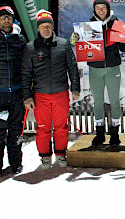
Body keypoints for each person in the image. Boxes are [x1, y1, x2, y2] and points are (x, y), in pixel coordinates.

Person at [22, 10, 80, 169]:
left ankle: (61, 153)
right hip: (41, 95)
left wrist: (75, 88)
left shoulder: (62, 44)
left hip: (60, 93)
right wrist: (27, 96)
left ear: (52, 28)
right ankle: (45, 156)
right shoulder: (30, 48)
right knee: (43, 128)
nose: (46, 29)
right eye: (43, 27)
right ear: (38, 29)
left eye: (48, 26)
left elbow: (72, 67)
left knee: (61, 127)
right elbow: (26, 74)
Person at [86, 0, 125, 146]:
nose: (101, 11)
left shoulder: (116, 24)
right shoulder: (88, 25)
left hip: (113, 67)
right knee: (98, 102)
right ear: (94, 9)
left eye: (104, 8)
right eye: (98, 7)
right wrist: (77, 40)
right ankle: (100, 133)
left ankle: (115, 132)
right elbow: (84, 48)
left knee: (115, 101)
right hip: (95, 68)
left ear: (108, 9)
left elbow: (124, 48)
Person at [0, 5, 26, 177]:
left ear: (13, 20)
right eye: (3, 17)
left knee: (15, 132)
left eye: (9, 17)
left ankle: (16, 164)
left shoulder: (19, 40)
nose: (6, 20)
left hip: (16, 93)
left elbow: (26, 65)